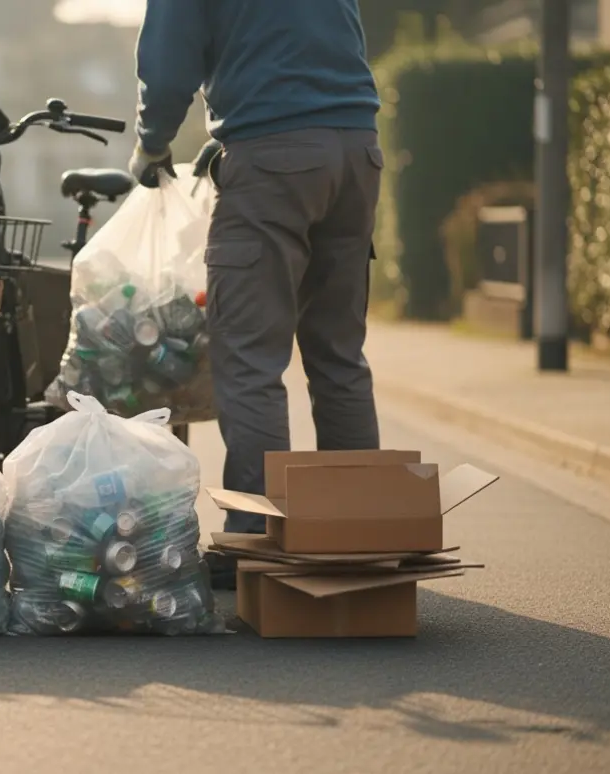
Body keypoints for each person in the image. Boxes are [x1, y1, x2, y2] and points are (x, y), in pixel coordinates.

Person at [128, 0, 384, 589]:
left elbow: (167, 71)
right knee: (339, 356)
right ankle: (360, 531)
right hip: (356, 151)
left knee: (250, 361)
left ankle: (256, 538)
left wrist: (152, 143)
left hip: (273, 158)